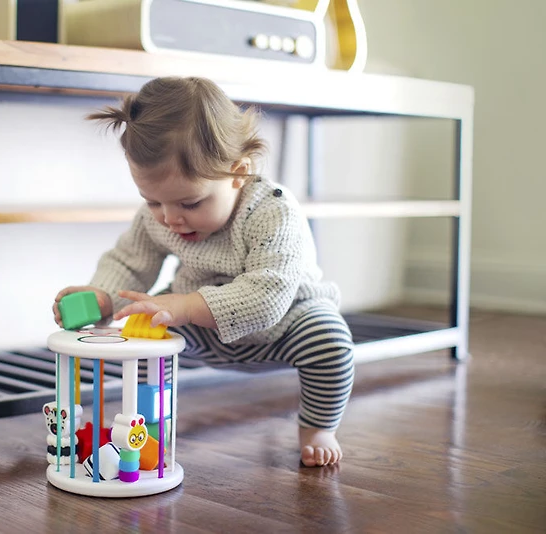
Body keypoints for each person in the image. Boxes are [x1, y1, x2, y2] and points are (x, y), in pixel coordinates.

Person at [52, 77, 354, 467]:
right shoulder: (158, 217)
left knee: (332, 343)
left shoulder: (273, 211)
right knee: (142, 333)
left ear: (237, 173)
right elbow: (130, 262)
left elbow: (268, 296)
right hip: (201, 329)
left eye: (190, 203)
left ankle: (318, 426)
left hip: (286, 323)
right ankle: (149, 426)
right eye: (153, 201)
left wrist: (186, 305)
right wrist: (104, 297)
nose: (170, 218)